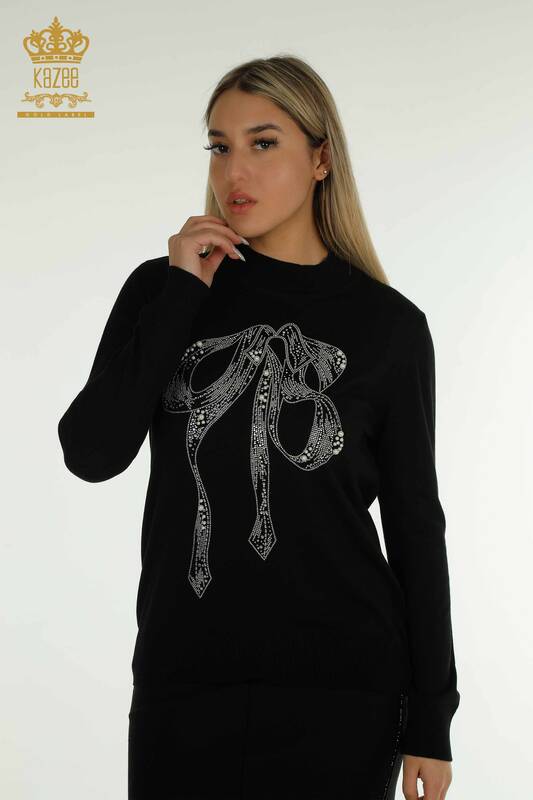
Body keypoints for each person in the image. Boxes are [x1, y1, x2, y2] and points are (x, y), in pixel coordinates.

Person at [57, 55, 460, 799]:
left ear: (320, 159)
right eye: (219, 146)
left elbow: (414, 527)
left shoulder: (389, 327)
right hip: (184, 684)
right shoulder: (162, 291)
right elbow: (91, 452)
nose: (233, 171)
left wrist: (431, 718)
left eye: (263, 143)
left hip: (344, 694)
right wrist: (183, 291)